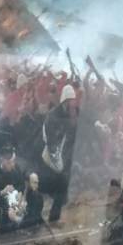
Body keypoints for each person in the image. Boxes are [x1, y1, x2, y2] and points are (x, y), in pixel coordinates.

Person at [37, 83, 77, 222]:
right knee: (42, 188)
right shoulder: (53, 115)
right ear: (65, 101)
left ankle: (54, 217)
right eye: (71, 101)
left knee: (61, 187)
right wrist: (56, 158)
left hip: (62, 157)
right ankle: (35, 216)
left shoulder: (71, 114)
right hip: (51, 157)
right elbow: (51, 139)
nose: (73, 103)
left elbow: (72, 135)